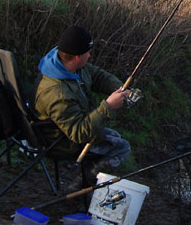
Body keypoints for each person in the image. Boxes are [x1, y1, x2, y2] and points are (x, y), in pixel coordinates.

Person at [33, 25, 132, 186]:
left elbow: (97, 75)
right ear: (78, 56)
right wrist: (107, 106)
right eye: (88, 52)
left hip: (69, 130)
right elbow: (79, 133)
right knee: (122, 148)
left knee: (114, 137)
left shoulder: (68, 66)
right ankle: (78, 189)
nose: (90, 55)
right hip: (60, 142)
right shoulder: (56, 93)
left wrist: (120, 89)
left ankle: (88, 177)